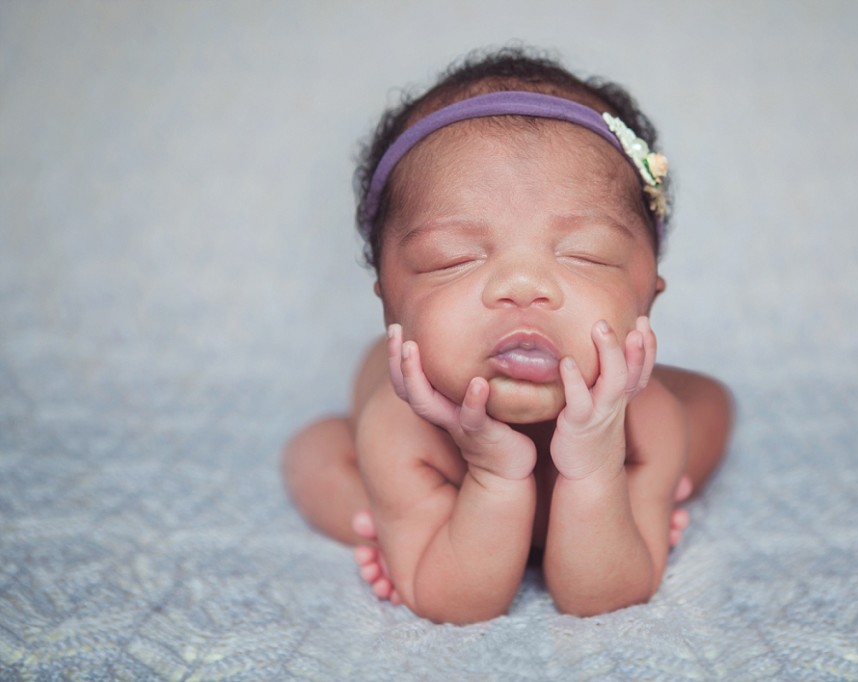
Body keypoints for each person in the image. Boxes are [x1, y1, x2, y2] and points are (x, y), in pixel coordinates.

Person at [283, 48, 732, 624]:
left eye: (586, 255)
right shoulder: (402, 430)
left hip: (623, 413)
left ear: (650, 296)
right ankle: (391, 522)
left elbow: (600, 598)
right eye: (452, 260)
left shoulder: (649, 426)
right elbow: (453, 602)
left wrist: (595, 467)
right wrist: (495, 473)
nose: (523, 287)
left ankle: (611, 495)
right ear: (389, 304)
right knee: (314, 456)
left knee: (708, 407)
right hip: (392, 415)